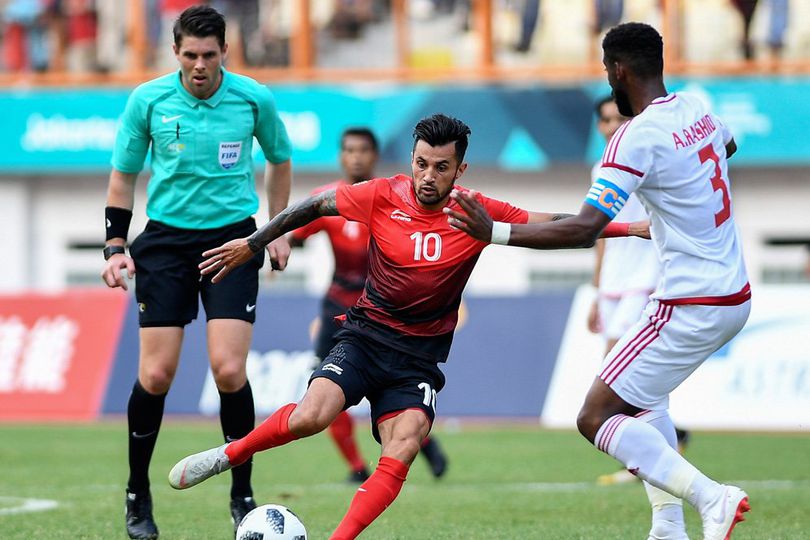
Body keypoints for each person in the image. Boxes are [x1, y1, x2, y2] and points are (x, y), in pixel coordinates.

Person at [167, 113, 646, 539]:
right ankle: (230, 454)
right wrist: (255, 242)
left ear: (460, 170)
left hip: (418, 357)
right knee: (313, 416)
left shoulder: (476, 212)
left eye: (441, 167)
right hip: (365, 337)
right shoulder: (381, 194)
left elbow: (558, 223)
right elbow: (313, 205)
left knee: (407, 438)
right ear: (411, 159)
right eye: (421, 163)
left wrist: (629, 228)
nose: (427, 176)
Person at [447, 22, 752, 540]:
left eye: (606, 71)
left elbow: (585, 228)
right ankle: (667, 526)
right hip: (732, 292)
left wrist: (494, 232)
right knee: (644, 400)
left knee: (594, 417)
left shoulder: (633, 137)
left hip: (690, 299)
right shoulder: (696, 108)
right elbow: (730, 145)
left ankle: (712, 498)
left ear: (618, 70)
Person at [100, 5, 292, 539]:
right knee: (156, 376)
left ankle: (243, 493)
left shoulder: (254, 98)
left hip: (234, 241)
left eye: (210, 55)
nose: (200, 65)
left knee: (229, 371)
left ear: (226, 51)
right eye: (191, 55)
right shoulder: (149, 100)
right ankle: (138, 495)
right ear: (176, 52)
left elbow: (280, 159)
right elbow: (123, 180)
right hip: (164, 244)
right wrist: (115, 246)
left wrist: (275, 231)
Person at [289, 127, 449, 483]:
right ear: (341, 156)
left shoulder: (394, 200)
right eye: (349, 150)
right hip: (337, 307)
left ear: (374, 155)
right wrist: (277, 249)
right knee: (322, 386)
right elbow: (295, 235)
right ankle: (355, 466)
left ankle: (425, 443)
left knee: (388, 388)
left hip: (383, 313)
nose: (356, 157)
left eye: (363, 150)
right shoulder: (325, 200)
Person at [586, 96, 691, 487]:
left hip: (645, 276)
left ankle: (656, 453)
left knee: (622, 375)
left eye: (617, 119)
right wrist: (596, 290)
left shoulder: (643, 157)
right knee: (613, 371)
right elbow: (596, 229)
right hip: (614, 280)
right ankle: (666, 442)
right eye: (605, 121)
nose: (611, 127)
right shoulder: (600, 167)